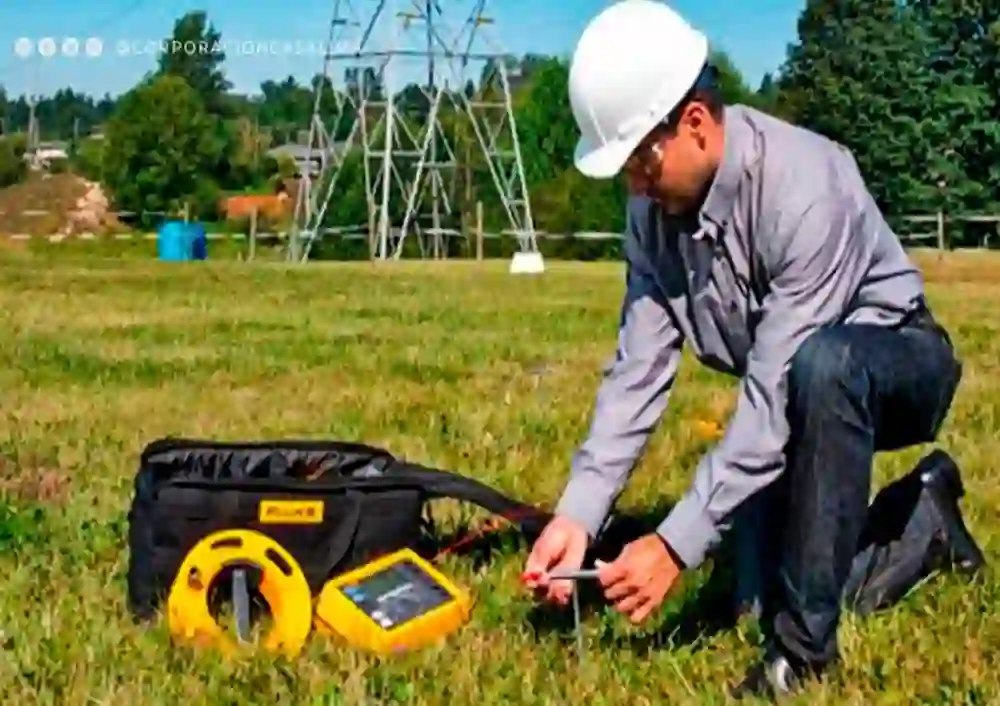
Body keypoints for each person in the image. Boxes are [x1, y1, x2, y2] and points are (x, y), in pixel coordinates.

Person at [521, 0, 986, 700]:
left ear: (697, 125)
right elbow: (637, 374)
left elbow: (773, 401)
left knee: (824, 369)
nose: (634, 186)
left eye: (641, 160)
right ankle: (924, 522)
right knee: (756, 597)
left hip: (895, 363)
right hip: (801, 390)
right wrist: (578, 515)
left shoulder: (804, 187)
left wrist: (675, 545)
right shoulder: (652, 216)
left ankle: (802, 656)